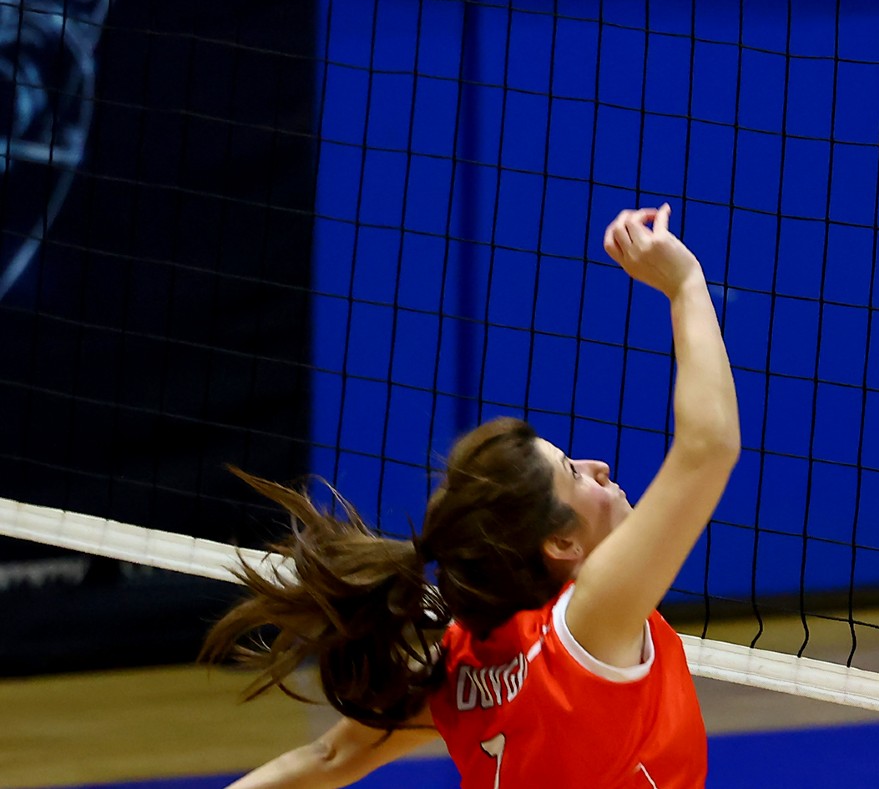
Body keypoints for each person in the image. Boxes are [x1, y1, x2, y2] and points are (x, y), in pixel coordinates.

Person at [201, 204, 737, 789]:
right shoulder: (592, 620)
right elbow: (708, 447)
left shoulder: (465, 657)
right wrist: (684, 284)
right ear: (560, 543)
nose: (599, 467)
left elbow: (328, 758)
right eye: (573, 472)